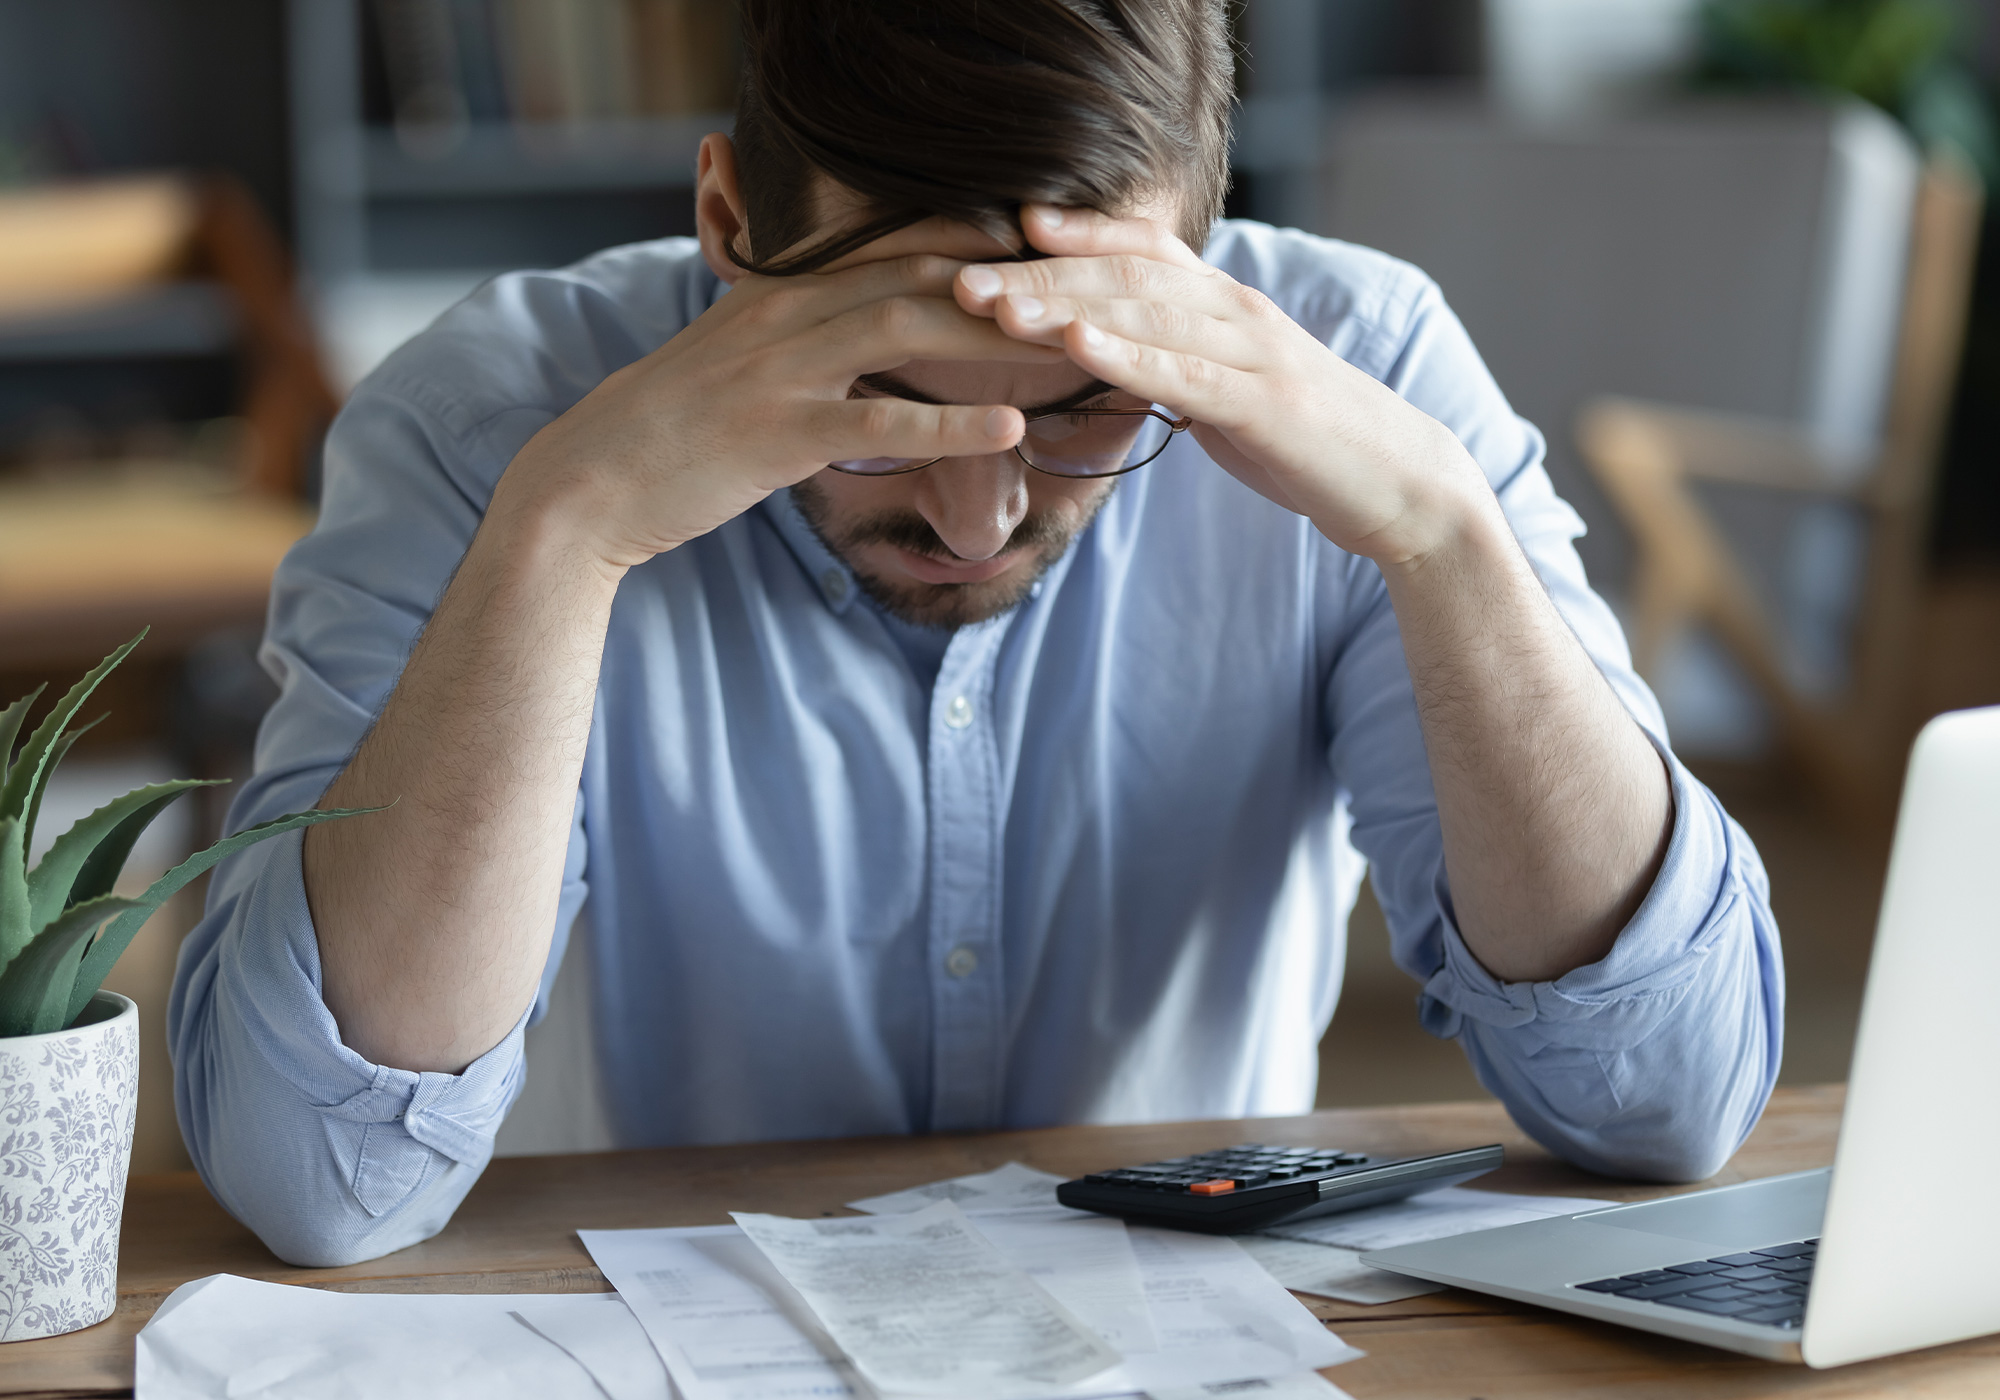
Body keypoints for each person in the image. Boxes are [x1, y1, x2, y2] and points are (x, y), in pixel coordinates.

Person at [170, 0, 1782, 1268]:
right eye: (881, 403)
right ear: (731, 221)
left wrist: (1441, 537)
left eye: (1088, 409)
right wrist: (572, 527)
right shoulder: (490, 429)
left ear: (1204, 252)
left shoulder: (1369, 376)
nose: (976, 522)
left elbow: (1666, 1102)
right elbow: (326, 1180)